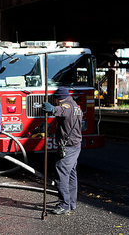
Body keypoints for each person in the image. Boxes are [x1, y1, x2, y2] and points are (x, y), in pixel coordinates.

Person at [41, 87, 83, 215]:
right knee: (71, 174)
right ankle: (71, 203)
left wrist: (52, 109)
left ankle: (64, 205)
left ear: (58, 98)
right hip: (75, 145)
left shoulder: (66, 106)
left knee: (61, 173)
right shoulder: (75, 105)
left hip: (69, 146)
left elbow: (61, 110)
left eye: (56, 100)